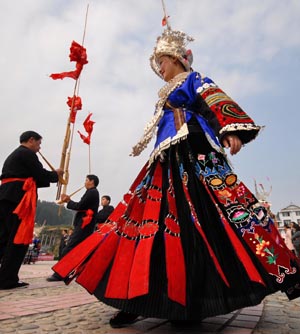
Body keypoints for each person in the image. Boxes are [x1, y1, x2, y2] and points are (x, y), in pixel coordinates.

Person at [52, 23, 300, 327]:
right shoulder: (165, 91)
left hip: (196, 156)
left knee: (203, 222)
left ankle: (191, 304)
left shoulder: (194, 80)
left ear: (179, 59)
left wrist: (229, 129)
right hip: (164, 164)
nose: (159, 67)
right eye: (157, 63)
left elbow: (214, 100)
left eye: (163, 61)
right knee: (144, 224)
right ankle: (134, 298)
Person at [0, 130, 63, 289]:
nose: (39, 147)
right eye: (39, 143)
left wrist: (53, 176)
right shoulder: (27, 154)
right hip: (17, 199)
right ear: (31, 140)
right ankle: (7, 279)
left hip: (7, 196)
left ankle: (6, 277)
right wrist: (56, 175)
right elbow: (40, 175)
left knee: (5, 238)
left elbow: (34, 177)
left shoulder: (16, 155)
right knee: (17, 239)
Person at [47, 174, 100, 281]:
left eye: (86, 180)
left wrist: (68, 201)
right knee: (82, 249)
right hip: (85, 225)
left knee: (69, 248)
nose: (84, 182)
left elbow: (80, 206)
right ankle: (83, 272)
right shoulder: (91, 192)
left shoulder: (92, 192)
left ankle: (60, 273)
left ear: (92, 182)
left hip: (85, 225)